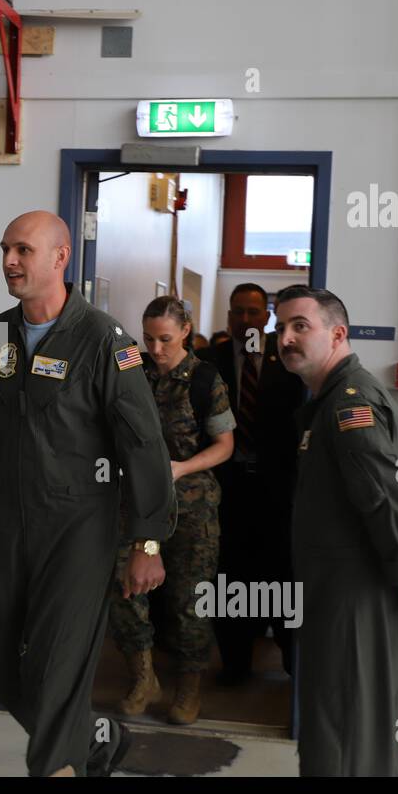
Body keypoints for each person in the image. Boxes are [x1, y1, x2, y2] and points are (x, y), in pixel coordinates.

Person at [0, 210, 174, 777]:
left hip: (79, 531)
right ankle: (95, 740)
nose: (9, 262)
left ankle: (61, 764)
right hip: (15, 525)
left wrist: (147, 541)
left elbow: (143, 444)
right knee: (0, 669)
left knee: (53, 670)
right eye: (4, 249)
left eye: (22, 250)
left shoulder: (103, 339)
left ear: (60, 258)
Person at [274, 285, 398, 776]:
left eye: (300, 325)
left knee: (345, 735)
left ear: (337, 333)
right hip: (339, 595)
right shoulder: (329, 401)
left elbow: (384, 498)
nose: (285, 338)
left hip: (355, 599)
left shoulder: (349, 403)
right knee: (347, 725)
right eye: (279, 328)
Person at [110, 296, 235, 724]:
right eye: (148, 338)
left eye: (165, 338)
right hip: (136, 502)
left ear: (185, 331)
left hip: (192, 505)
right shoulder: (133, 370)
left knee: (189, 599)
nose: (157, 348)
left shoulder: (204, 380)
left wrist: (182, 467)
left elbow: (224, 446)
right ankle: (143, 676)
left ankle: (188, 688)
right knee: (124, 586)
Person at [197, 283, 306, 683]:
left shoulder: (291, 361)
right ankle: (235, 663)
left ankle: (293, 663)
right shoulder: (210, 361)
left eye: (253, 312)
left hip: (278, 490)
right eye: (237, 312)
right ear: (228, 316)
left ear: (268, 317)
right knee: (229, 575)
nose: (245, 320)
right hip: (227, 489)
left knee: (282, 573)